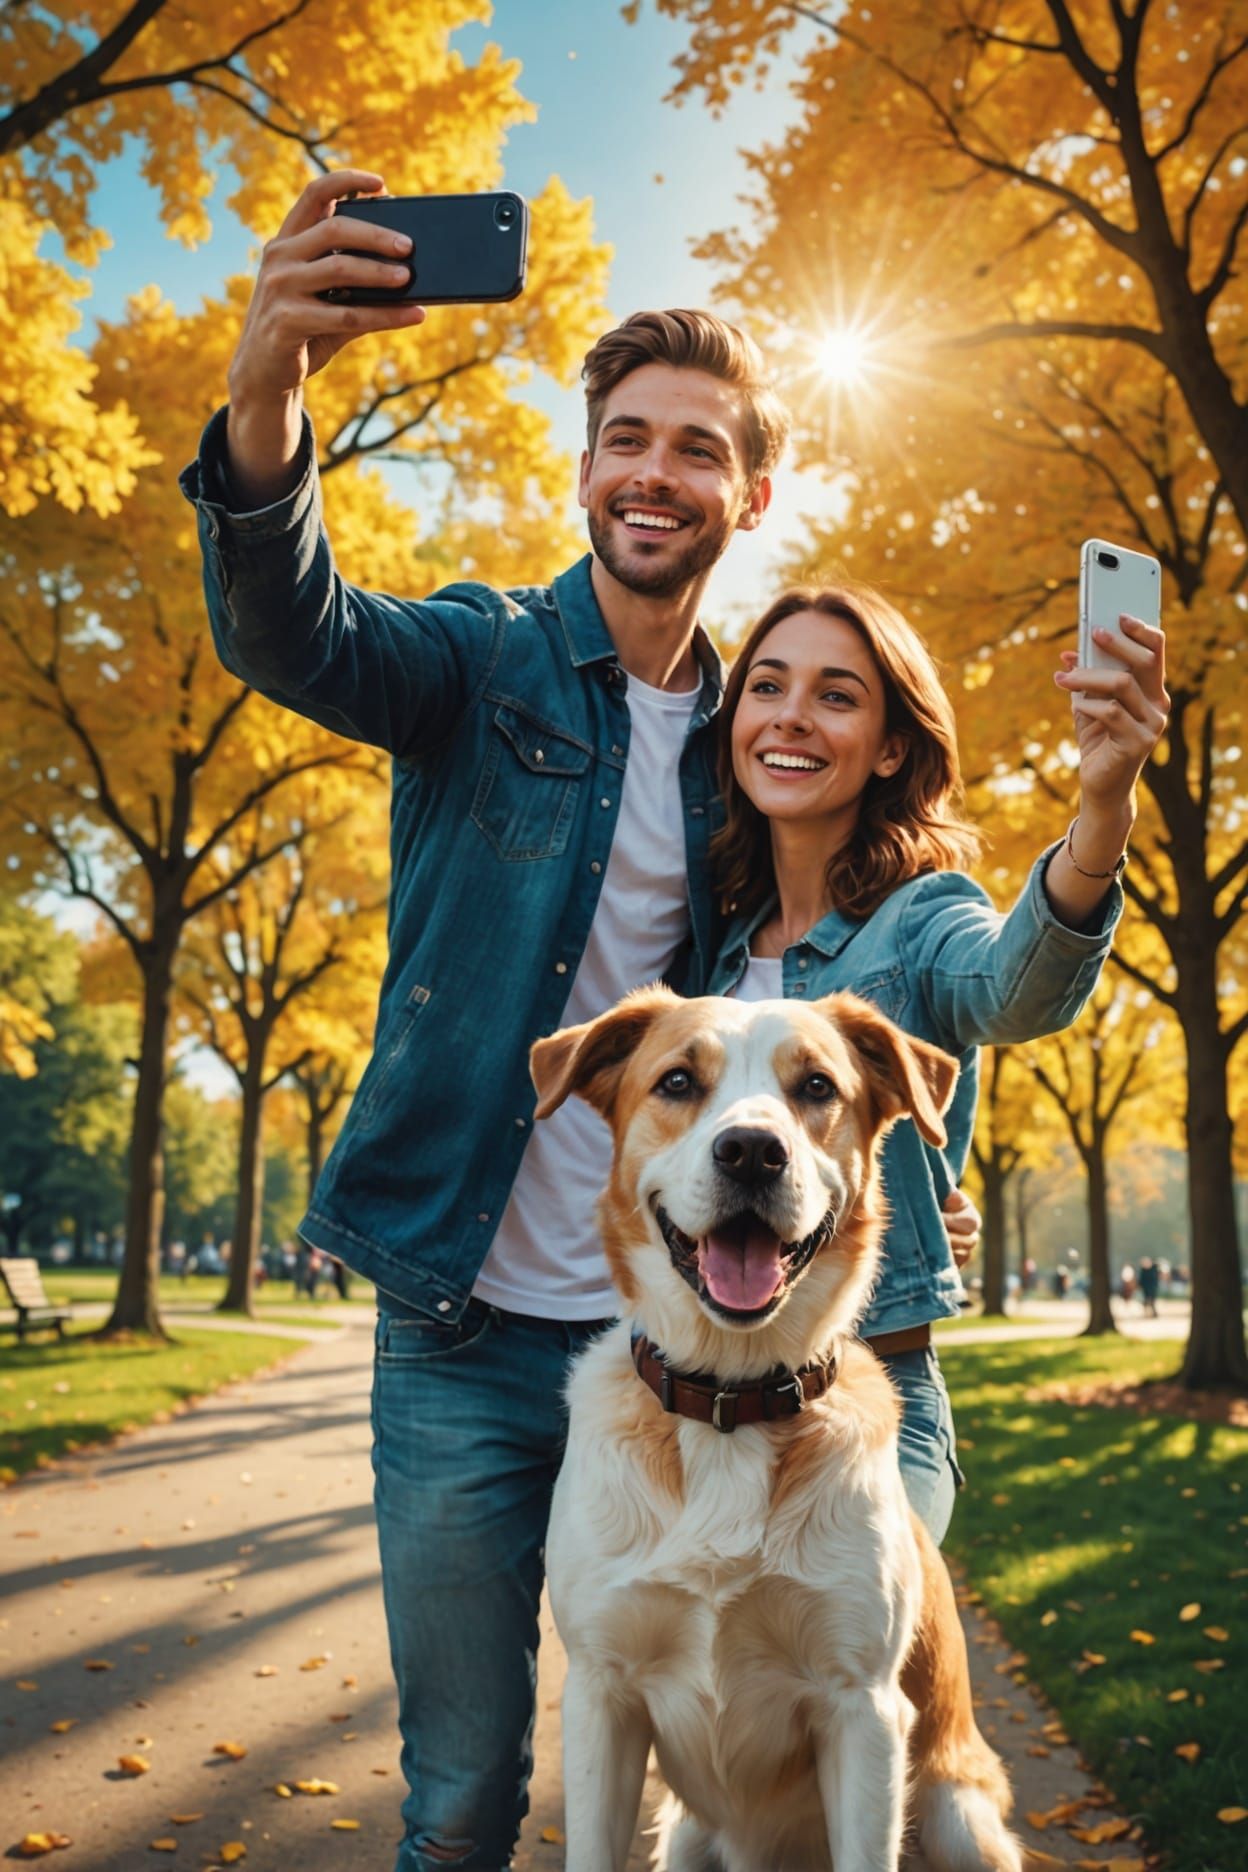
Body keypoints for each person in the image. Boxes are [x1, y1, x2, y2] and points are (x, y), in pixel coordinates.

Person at [179, 168, 977, 1872]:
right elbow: (285, 623)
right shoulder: (479, 661)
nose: (655, 473)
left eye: (697, 448)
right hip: (473, 1329)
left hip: (703, 1349)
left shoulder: (751, 742)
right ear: (585, 461)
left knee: (685, 1767)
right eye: (628, 435)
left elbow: (840, 964)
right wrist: (268, 387)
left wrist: (922, 1141)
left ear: (748, 489)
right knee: (471, 1792)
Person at [705, 583, 1168, 1539]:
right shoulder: (709, 945)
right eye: (767, 686)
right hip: (702, 1418)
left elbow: (1012, 987)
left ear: (889, 747)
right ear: (735, 721)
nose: (792, 714)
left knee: (878, 1689)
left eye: (837, 695)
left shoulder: (922, 918)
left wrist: (1105, 806)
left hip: (874, 1397)